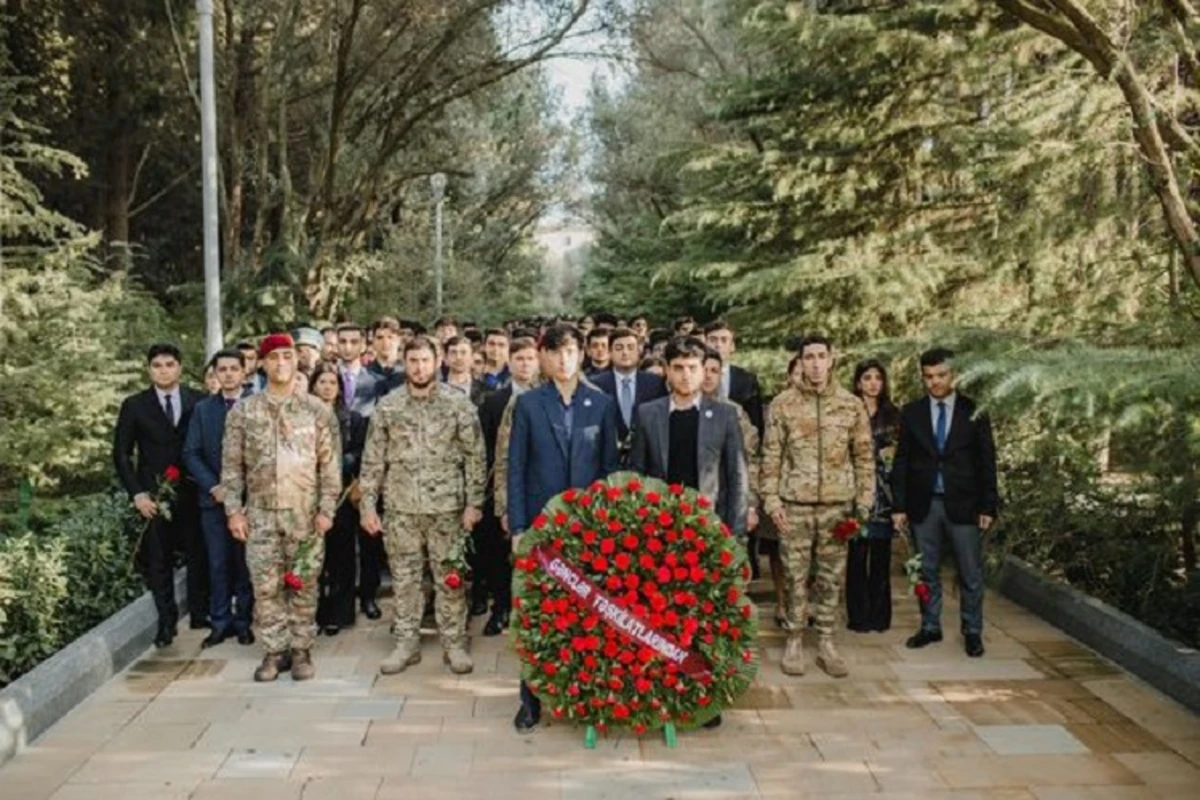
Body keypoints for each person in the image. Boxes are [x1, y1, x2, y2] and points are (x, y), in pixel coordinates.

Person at [507, 323, 620, 733]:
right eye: (554, 352)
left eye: (570, 351)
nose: (563, 359)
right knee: (537, 611)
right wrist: (519, 524)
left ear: (581, 354)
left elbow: (611, 469)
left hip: (588, 527)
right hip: (542, 524)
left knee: (590, 613)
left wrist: (608, 524)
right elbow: (515, 468)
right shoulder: (530, 405)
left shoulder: (601, 404)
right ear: (543, 358)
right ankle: (531, 699)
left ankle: (589, 693)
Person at [359, 336, 486, 676]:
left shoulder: (457, 404)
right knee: (405, 580)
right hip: (401, 509)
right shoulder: (388, 406)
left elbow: (476, 457)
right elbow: (373, 461)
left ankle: (454, 643)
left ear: (438, 361)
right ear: (405, 363)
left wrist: (475, 503)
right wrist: (368, 506)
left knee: (451, 579)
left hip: (447, 508)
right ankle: (406, 643)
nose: (419, 367)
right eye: (412, 361)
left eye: (425, 361)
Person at [221, 333, 341, 682]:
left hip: (305, 514)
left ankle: (301, 648)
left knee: (304, 582)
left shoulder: (316, 410)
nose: (281, 364)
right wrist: (234, 510)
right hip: (260, 514)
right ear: (261, 363)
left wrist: (327, 509)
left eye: (288, 357)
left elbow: (329, 467)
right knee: (265, 585)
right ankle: (275, 650)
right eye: (273, 358)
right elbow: (231, 467)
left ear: (296, 361)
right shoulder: (245, 411)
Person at [761, 335, 874, 679]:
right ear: (801, 361)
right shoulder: (783, 404)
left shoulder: (851, 405)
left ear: (831, 359)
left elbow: (864, 456)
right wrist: (771, 499)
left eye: (821, 356)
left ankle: (826, 641)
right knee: (794, 576)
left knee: (830, 578)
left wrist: (864, 502)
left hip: (837, 507)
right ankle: (794, 639)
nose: (814, 363)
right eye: (808, 357)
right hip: (794, 505)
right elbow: (771, 456)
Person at [891, 347, 998, 658]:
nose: (934, 382)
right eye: (928, 377)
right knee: (927, 569)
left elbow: (986, 460)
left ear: (954, 374)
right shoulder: (912, 413)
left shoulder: (974, 410)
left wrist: (988, 506)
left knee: (970, 571)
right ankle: (930, 626)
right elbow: (902, 462)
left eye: (941, 375)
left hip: (964, 504)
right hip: (923, 504)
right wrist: (899, 506)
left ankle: (973, 630)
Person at [113, 343, 206, 648]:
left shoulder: (199, 400)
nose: (163, 370)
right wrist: (137, 494)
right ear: (148, 369)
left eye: (169, 364)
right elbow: (122, 455)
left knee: (199, 555)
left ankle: (200, 613)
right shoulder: (135, 405)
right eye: (157, 365)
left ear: (180, 367)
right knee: (159, 560)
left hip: (194, 492)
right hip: (153, 497)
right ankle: (166, 622)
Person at [630, 337, 748, 537]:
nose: (686, 375)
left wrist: (734, 532)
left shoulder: (725, 414)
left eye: (692, 368)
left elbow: (737, 475)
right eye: (678, 368)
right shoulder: (648, 414)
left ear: (703, 370)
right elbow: (637, 472)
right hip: (659, 524)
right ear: (667, 370)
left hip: (710, 523)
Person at [183, 349, 255, 649]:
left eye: (233, 369)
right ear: (214, 374)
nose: (227, 374)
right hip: (213, 501)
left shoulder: (257, 406)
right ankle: (220, 621)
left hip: (251, 500)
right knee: (217, 562)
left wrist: (248, 491)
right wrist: (214, 487)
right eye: (221, 369)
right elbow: (191, 452)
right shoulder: (203, 410)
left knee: (245, 563)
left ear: (244, 372)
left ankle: (244, 622)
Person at [476, 337, 540, 635]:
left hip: (537, 484)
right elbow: (487, 446)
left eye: (530, 358)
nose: (525, 364)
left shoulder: (546, 396)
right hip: (501, 484)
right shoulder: (494, 400)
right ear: (509, 363)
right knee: (498, 549)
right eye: (519, 359)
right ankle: (501, 607)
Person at [310, 363, 367, 635]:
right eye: (322, 382)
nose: (327, 387)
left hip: (342, 494)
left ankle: (340, 613)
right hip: (309, 493)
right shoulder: (300, 417)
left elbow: (362, 452)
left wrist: (344, 461)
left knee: (341, 556)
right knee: (311, 557)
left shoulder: (353, 419)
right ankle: (315, 612)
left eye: (333, 383)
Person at [845, 359, 901, 634]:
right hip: (854, 493)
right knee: (856, 556)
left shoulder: (893, 415)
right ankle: (858, 615)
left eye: (878, 377)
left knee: (881, 557)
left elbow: (902, 458)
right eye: (867, 377)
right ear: (858, 382)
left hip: (885, 494)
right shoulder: (848, 412)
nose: (873, 383)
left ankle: (880, 616)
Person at [591, 327, 668, 463]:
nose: (625, 352)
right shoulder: (595, 385)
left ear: (639, 350)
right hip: (605, 459)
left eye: (630, 347)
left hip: (646, 459)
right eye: (619, 348)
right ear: (610, 352)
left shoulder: (655, 383)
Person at [337, 322, 381, 416]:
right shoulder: (327, 377)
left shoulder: (376, 382)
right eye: (342, 341)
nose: (347, 347)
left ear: (363, 346)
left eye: (354, 342)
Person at [443, 335, 487, 406]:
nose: (458, 357)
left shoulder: (486, 391)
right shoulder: (434, 390)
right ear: (445, 359)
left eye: (463, 352)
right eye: (453, 352)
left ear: (472, 358)